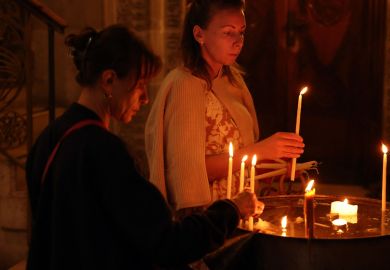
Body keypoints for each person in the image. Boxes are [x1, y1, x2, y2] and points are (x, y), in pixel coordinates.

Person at [26, 24, 261, 270]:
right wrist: (232, 209)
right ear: (109, 80)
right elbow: (167, 243)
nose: (145, 98)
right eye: (140, 85)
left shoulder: (49, 138)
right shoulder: (104, 151)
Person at [145, 0, 305, 214]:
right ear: (199, 34)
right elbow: (187, 172)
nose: (238, 42)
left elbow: (240, 151)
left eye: (242, 32)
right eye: (228, 33)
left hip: (242, 209)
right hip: (209, 218)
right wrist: (260, 150)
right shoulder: (185, 85)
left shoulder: (232, 79)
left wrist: (274, 164)